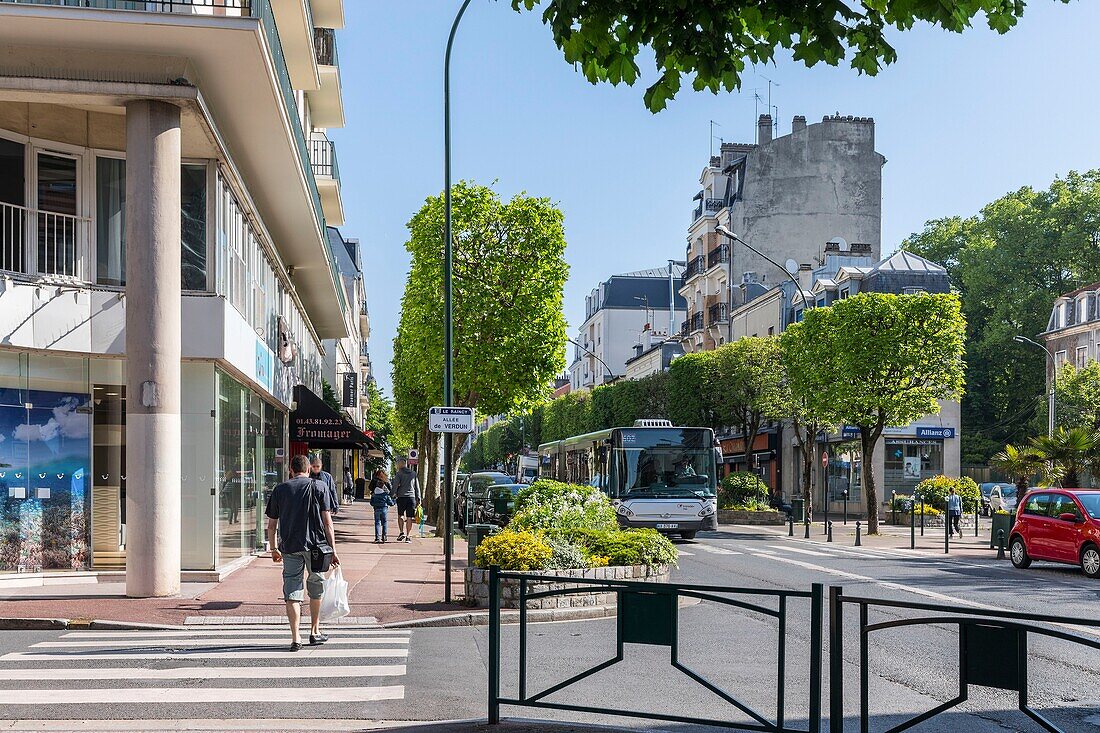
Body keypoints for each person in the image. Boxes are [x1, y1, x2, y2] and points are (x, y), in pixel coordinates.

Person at [265, 454, 340, 652]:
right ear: (308, 470)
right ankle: (315, 631)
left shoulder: (280, 489)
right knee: (316, 588)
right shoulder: (319, 487)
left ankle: (295, 637)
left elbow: (271, 525)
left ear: (291, 470)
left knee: (292, 592)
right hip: (317, 547)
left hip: (289, 547)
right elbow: (327, 522)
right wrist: (333, 550)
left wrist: (273, 548)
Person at [392, 457, 421, 543]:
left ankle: (401, 532)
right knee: (409, 517)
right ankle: (408, 536)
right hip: (411, 498)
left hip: (401, 497)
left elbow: (395, 485)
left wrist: (392, 494)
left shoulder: (399, 473)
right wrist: (418, 497)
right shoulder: (413, 473)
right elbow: (417, 486)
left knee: (400, 515)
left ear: (399, 465)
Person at [370, 470, 395, 543]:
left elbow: (371, 502)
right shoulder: (386, 483)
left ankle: (377, 538)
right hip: (384, 507)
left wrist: (374, 503)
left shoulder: (374, 482)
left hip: (376, 508)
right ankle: (384, 536)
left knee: (377, 522)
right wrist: (392, 502)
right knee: (384, 522)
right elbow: (390, 490)